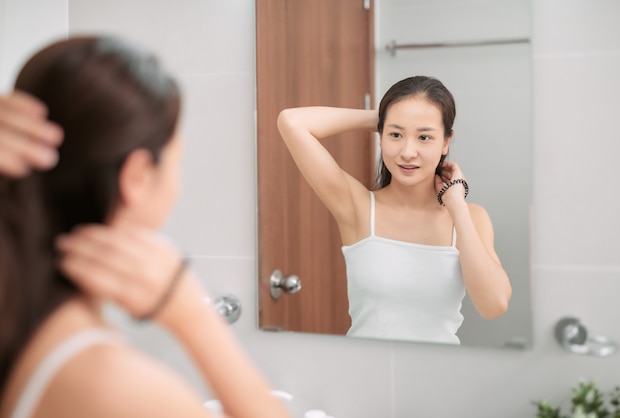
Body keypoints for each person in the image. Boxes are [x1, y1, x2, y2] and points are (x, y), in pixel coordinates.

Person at [0, 36, 290, 418]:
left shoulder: (18, 323)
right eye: (176, 159)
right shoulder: (114, 388)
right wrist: (193, 317)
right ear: (136, 175)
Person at [277, 76, 512, 345]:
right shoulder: (359, 208)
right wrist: (384, 117)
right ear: (381, 136)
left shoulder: (472, 217)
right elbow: (291, 122)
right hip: (364, 376)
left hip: (439, 379)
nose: (408, 151)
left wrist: (457, 207)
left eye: (424, 137)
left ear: (446, 142)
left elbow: (493, 305)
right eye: (395, 135)